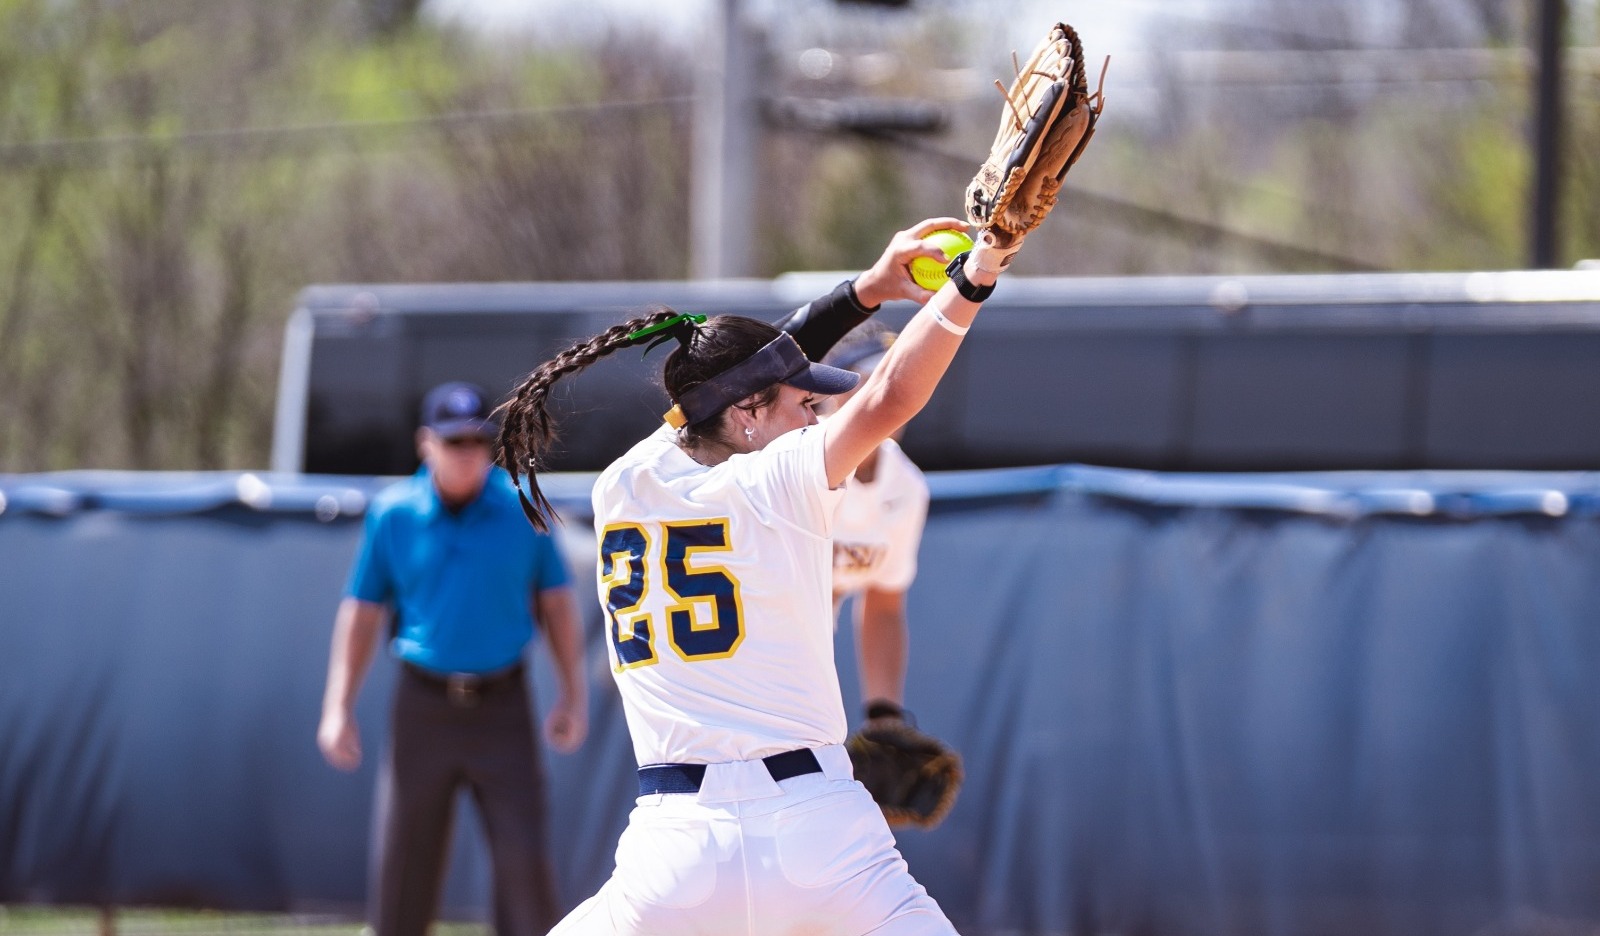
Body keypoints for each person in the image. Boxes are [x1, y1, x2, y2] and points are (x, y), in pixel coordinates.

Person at [495, 217, 1023, 935]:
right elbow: (890, 397)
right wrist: (974, 279)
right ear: (746, 412)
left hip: (673, 849)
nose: (815, 415)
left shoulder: (624, 482)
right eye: (804, 404)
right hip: (817, 831)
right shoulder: (779, 480)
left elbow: (732, 379)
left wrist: (866, 291)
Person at [316, 380, 589, 936]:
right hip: (424, 706)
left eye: (478, 441)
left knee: (524, 862)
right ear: (425, 444)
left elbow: (556, 604)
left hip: (502, 705)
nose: (467, 453)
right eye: (453, 441)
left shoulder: (523, 508)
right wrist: (337, 707)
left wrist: (572, 695)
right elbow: (362, 612)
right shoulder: (394, 514)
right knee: (404, 864)